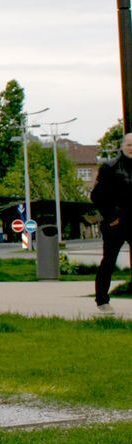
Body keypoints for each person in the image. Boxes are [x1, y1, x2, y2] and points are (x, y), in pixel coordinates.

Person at [90, 132, 132, 314]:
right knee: (109, 261)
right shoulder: (110, 167)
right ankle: (102, 300)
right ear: (123, 146)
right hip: (116, 222)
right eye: (130, 145)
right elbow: (96, 196)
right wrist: (112, 217)